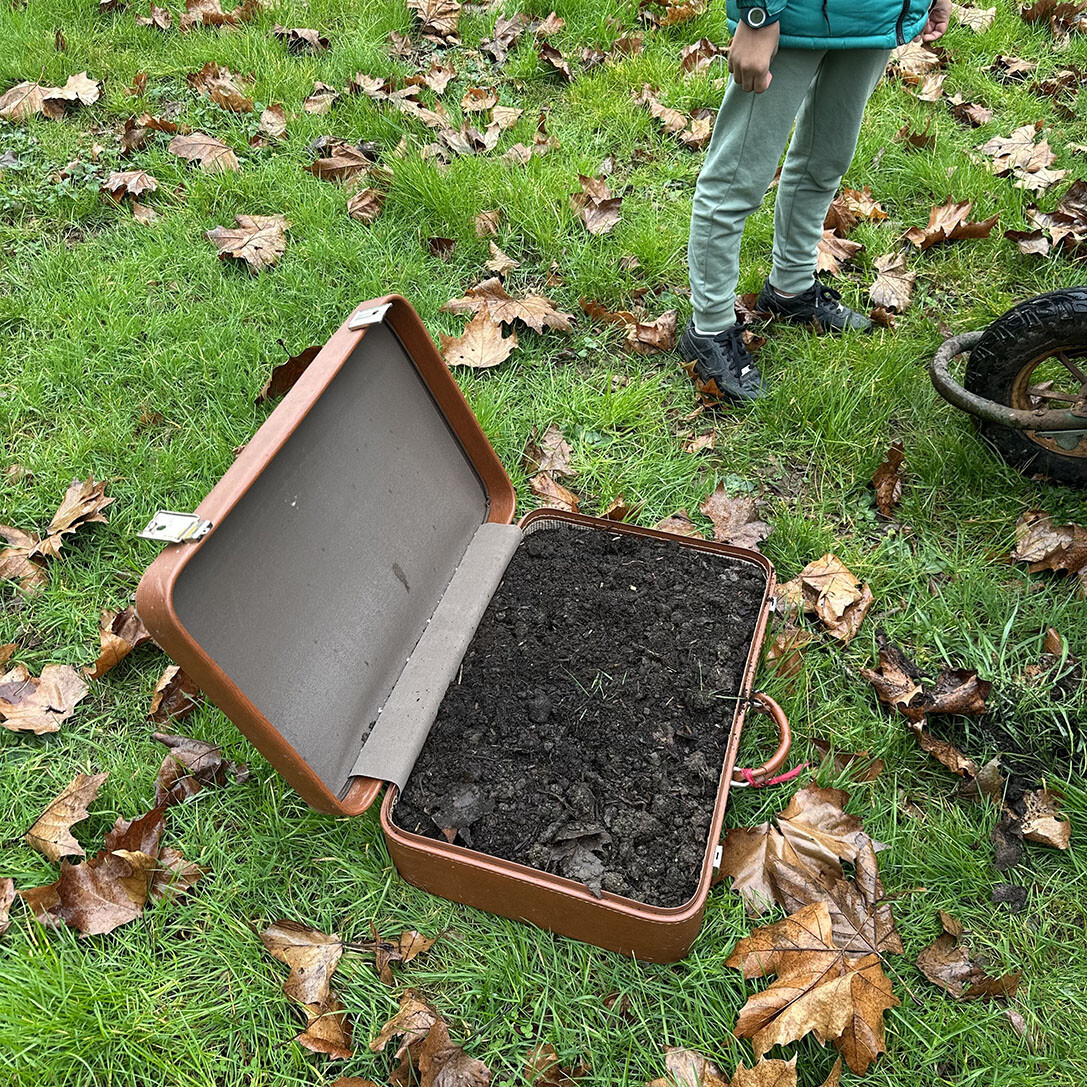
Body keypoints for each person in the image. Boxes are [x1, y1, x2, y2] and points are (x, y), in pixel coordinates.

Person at [678, 0, 953, 400]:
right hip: (793, 14)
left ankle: (790, 288)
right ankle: (709, 327)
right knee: (738, 177)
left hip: (874, 16)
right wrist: (758, 15)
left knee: (826, 159)